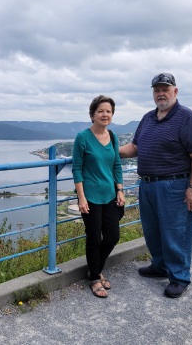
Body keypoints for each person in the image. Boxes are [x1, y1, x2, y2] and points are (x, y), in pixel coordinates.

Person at [119, 72, 192, 298]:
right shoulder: (148, 118)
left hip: (174, 186)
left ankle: (179, 277)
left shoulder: (187, 117)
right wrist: (109, 151)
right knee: (152, 231)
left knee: (176, 233)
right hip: (147, 185)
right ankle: (160, 266)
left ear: (175, 92)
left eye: (165, 89)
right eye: (157, 90)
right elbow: (135, 147)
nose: (160, 94)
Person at [72, 95, 125, 298]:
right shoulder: (82, 137)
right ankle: (95, 277)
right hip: (91, 196)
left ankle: (95, 269)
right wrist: (81, 198)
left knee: (112, 236)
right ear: (92, 114)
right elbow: (77, 169)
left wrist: (120, 190)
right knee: (94, 237)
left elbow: (117, 165)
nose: (105, 114)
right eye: (101, 111)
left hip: (110, 194)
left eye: (108, 111)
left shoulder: (112, 136)